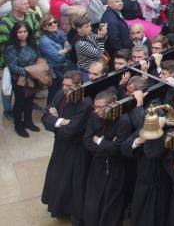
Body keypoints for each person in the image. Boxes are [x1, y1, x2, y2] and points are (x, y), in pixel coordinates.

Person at [41, 69, 92, 221]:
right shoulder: (60, 94)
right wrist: (61, 121)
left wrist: (56, 120)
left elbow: (70, 131)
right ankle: (59, 208)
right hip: (60, 147)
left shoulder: (85, 102)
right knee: (57, 178)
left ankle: (73, 212)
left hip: (75, 149)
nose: (64, 89)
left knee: (72, 182)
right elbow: (45, 117)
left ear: (78, 86)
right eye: (64, 85)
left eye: (69, 86)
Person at [82, 89, 132, 226]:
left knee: (110, 204)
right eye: (95, 107)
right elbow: (86, 140)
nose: (96, 111)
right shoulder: (94, 116)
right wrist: (107, 144)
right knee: (93, 200)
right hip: (97, 165)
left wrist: (98, 140)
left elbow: (116, 150)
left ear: (112, 105)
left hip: (115, 169)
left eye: (100, 107)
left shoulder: (124, 121)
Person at [5, 22, 43, 137]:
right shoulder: (11, 46)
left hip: (33, 78)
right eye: (19, 32)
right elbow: (13, 66)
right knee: (20, 102)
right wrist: (29, 71)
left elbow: (38, 58)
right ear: (15, 33)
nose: (22, 34)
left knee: (30, 101)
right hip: (19, 79)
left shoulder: (32, 43)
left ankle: (28, 122)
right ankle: (18, 125)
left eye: (24, 31)